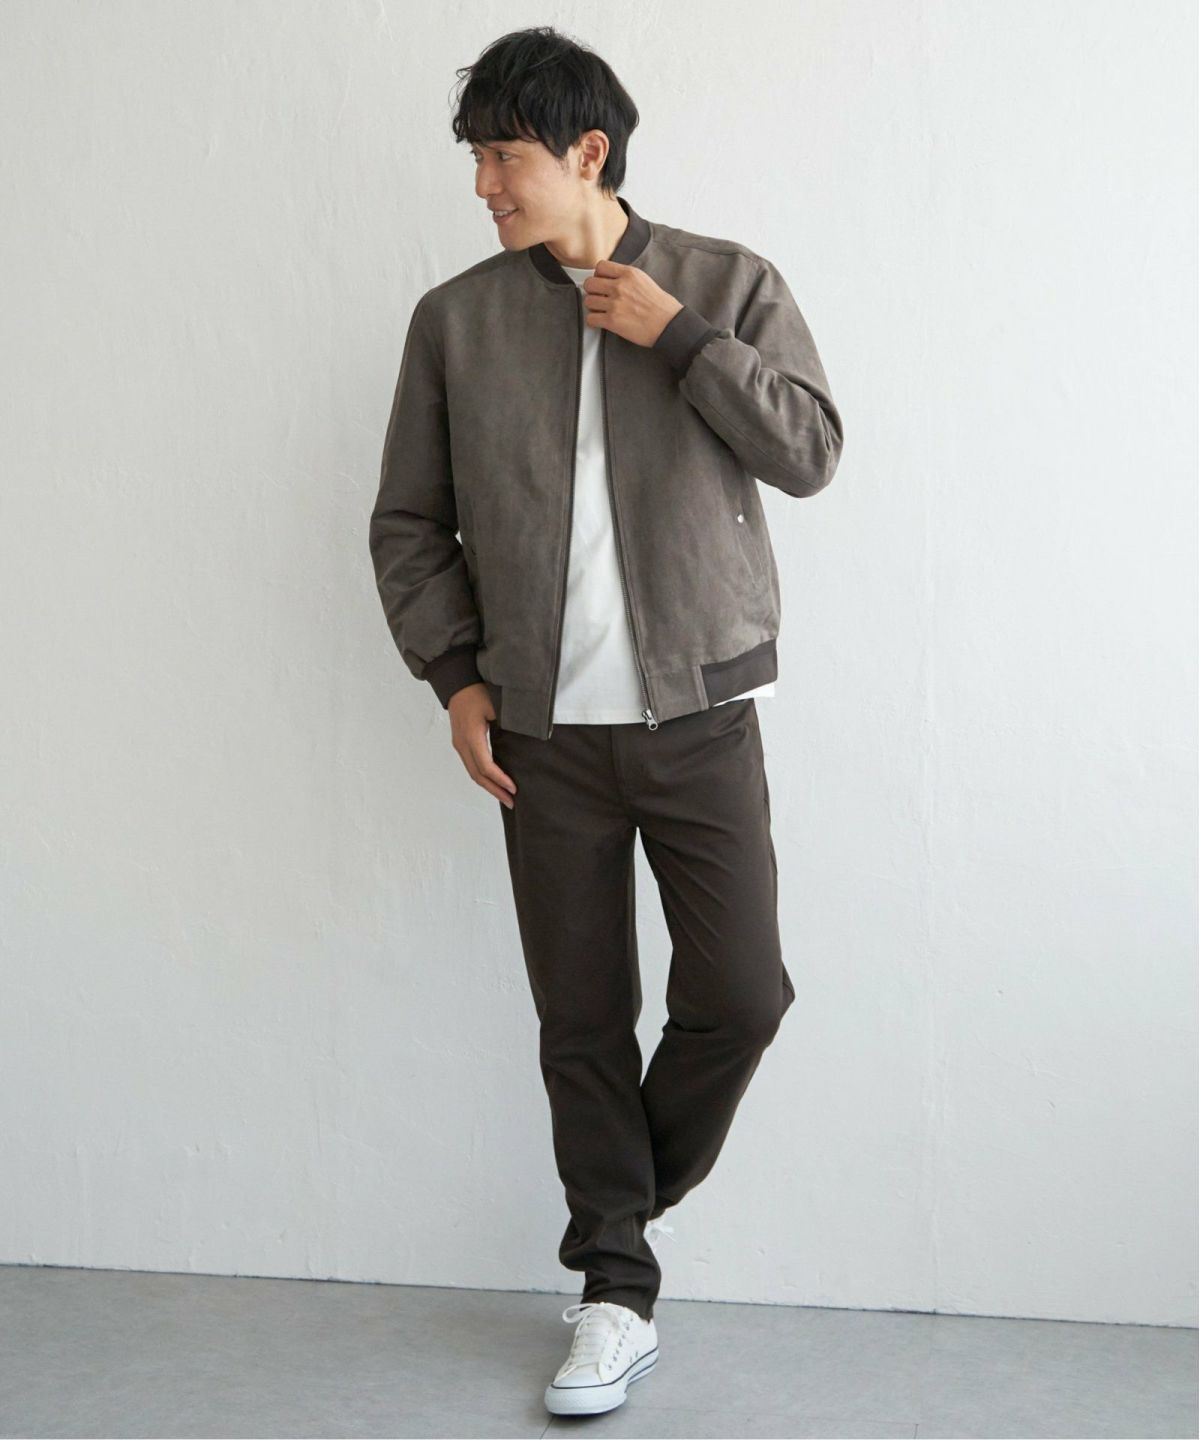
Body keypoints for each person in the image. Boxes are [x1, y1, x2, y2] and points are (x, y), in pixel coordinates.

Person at [368, 24, 844, 1419]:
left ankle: (618, 1209)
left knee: (741, 996)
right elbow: (409, 523)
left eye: (502, 157)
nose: (482, 186)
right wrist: (456, 679)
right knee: (581, 1020)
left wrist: (679, 339)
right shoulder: (456, 321)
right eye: (475, 158)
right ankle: (615, 1292)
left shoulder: (725, 283)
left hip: (701, 718)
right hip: (543, 739)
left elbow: (811, 451)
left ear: (588, 153)